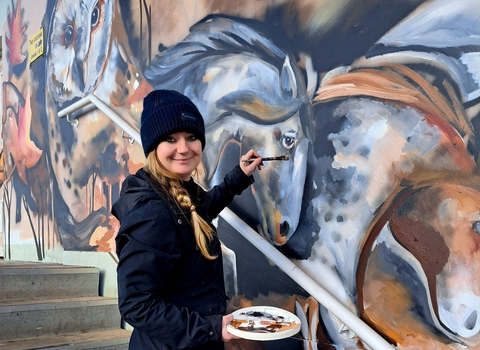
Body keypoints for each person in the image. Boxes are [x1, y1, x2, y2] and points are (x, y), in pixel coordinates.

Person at [112, 89, 263, 349]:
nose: (183, 148)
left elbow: (200, 210)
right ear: (153, 146)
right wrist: (213, 328)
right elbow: (137, 305)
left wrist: (238, 176)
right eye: (170, 139)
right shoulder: (152, 212)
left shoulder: (178, 190)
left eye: (191, 137)